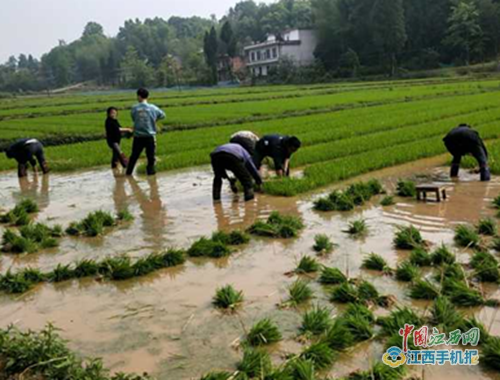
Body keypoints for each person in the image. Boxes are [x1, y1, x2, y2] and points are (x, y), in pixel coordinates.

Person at [126, 88, 166, 176]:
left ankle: (128, 174)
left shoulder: (134, 108)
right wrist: (154, 119)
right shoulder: (153, 108)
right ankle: (151, 176)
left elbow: (134, 119)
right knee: (150, 158)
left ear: (139, 96)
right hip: (149, 137)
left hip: (138, 137)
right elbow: (163, 115)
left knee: (134, 156)